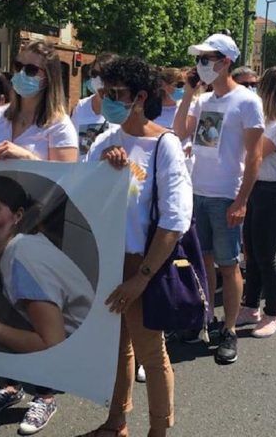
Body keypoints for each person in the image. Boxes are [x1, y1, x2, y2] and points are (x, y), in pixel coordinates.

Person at [80, 56, 192, 437]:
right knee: (117, 349)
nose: (108, 100)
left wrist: (140, 278)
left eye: (117, 94)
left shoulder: (164, 145)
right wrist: (102, 171)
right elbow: (82, 197)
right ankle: (116, 422)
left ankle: (159, 431)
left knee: (151, 353)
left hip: (143, 263)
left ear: (140, 97)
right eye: (104, 92)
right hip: (107, 259)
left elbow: (174, 222)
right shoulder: (104, 141)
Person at [0, 39, 78, 435]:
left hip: (41, 231)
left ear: (48, 78)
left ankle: (45, 394)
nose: (21, 74)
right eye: (18, 66)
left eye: (31, 69)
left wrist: (28, 157)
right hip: (0, 231)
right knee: (3, 306)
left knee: (38, 312)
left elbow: (70, 180)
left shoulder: (59, 125)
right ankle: (11, 382)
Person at [173, 33, 264, 364]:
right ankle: (205, 319)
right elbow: (180, 133)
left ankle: (229, 331)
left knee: (228, 265)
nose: (201, 65)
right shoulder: (203, 100)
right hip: (198, 192)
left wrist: (241, 200)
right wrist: (187, 95)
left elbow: (254, 155)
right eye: (199, 59)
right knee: (205, 261)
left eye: (207, 59)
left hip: (226, 195)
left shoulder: (247, 102)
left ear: (225, 62)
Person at [0, 176, 94, 351]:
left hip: (79, 356)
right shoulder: (7, 242)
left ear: (18, 215)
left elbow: (52, 344)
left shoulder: (24, 256)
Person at [236, 67, 276, 337]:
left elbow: (253, 151)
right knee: (253, 254)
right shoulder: (273, 123)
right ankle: (251, 306)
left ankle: (273, 314)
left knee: (266, 257)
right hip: (258, 191)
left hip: (273, 194)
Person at [71, 53, 118, 160]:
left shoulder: (121, 109)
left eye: (103, 75)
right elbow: (72, 144)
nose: (97, 78)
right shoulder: (81, 107)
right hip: (81, 174)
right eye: (94, 73)